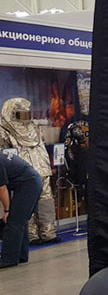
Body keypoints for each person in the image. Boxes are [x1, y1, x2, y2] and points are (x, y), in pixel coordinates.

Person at [0, 98, 60, 245]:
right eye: (21, 115)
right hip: (22, 173)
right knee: (26, 202)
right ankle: (31, 234)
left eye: (27, 114)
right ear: (11, 114)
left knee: (46, 200)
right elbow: (4, 154)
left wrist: (48, 165)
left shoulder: (34, 127)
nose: (25, 118)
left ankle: (48, 231)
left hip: (41, 168)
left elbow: (42, 146)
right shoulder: (4, 130)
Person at [0, 150, 42, 268]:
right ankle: (20, 255)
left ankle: (8, 259)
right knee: (19, 220)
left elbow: (2, 189)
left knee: (13, 221)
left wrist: (7, 210)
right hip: (30, 182)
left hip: (29, 184)